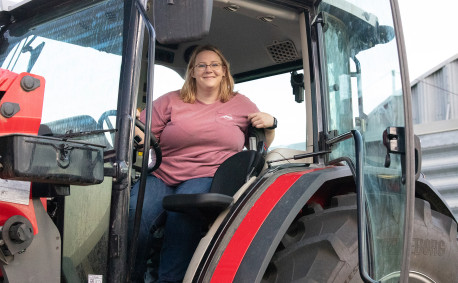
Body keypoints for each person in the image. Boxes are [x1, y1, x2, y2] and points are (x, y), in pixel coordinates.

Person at [128, 44, 276, 282]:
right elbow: (142, 132)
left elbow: (262, 143)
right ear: (193, 72)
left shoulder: (240, 103)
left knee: (182, 214)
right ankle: (128, 276)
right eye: (202, 65)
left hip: (207, 175)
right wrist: (135, 129)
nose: (209, 69)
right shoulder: (170, 101)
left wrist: (271, 123)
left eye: (215, 64)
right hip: (162, 174)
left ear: (225, 71)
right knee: (136, 213)